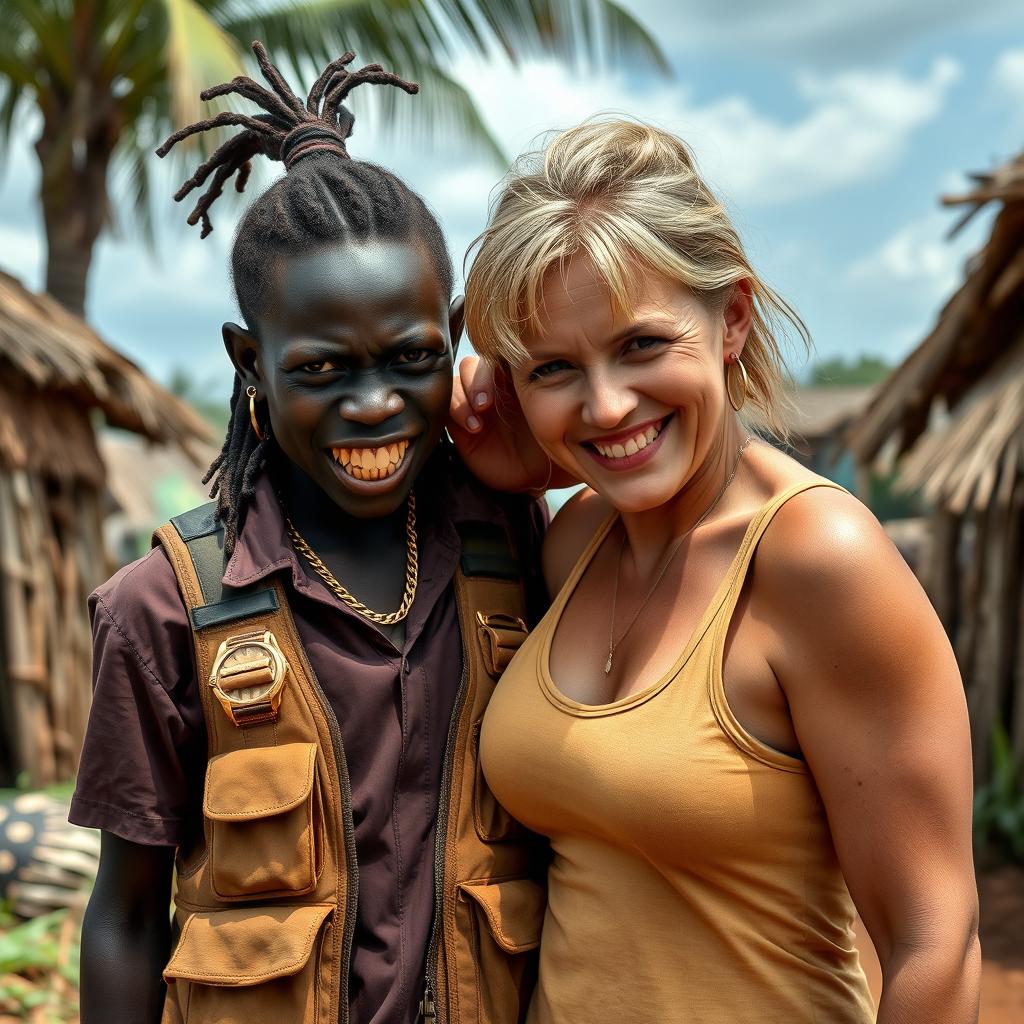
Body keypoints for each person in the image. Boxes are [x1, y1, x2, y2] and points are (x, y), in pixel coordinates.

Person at [448, 117, 981, 1023]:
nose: (607, 403)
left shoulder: (817, 560)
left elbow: (938, 940)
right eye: (554, 369)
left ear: (731, 318)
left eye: (642, 346)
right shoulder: (576, 541)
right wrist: (515, 471)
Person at [71, 43, 547, 1024]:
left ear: (453, 336)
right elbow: (123, 915)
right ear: (252, 361)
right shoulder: (163, 608)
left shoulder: (511, 544)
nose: (374, 405)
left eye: (410, 358)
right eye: (323, 370)